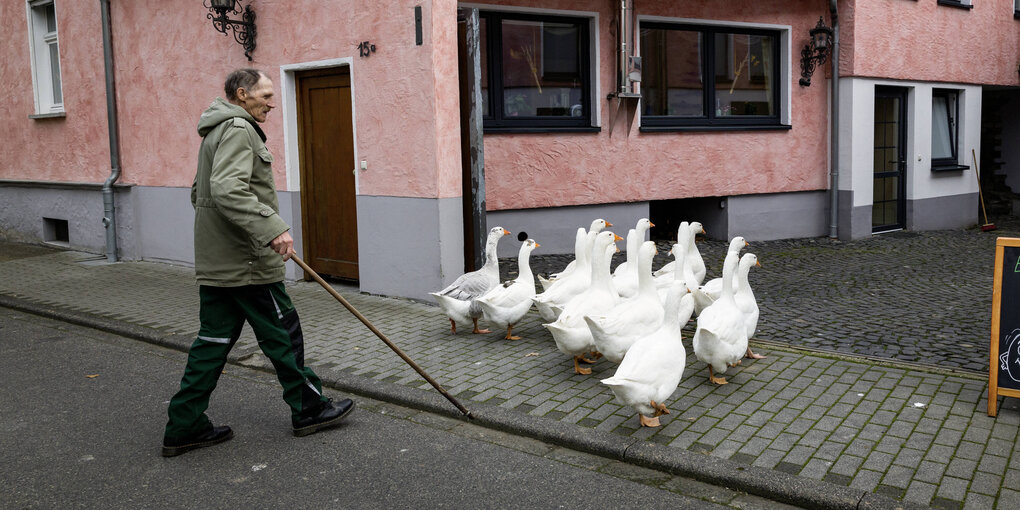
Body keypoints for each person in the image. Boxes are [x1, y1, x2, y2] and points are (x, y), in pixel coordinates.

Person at [162, 68, 354, 457]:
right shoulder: (237, 128)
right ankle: (310, 409)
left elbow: (201, 193)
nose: (271, 102)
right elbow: (227, 189)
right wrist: (271, 228)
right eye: (266, 95)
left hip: (221, 263)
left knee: (211, 343)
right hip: (248, 263)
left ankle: (183, 425)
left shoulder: (215, 130)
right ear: (242, 93)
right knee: (284, 334)